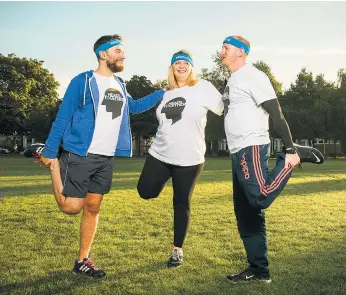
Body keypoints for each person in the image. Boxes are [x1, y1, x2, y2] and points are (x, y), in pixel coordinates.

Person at [39, 34, 165, 278]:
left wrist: (162, 91)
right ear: (103, 54)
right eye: (118, 50)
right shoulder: (83, 81)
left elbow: (134, 107)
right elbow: (63, 116)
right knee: (72, 207)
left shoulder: (120, 84)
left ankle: (83, 260)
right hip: (80, 154)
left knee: (93, 207)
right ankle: (55, 167)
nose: (123, 55)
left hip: (106, 157)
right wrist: (50, 151)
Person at [219, 35, 324, 283]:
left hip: (251, 146)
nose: (221, 51)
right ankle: (259, 269)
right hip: (237, 151)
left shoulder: (253, 75)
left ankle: (291, 159)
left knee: (260, 197)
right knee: (246, 213)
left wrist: (289, 147)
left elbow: (276, 112)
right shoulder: (233, 80)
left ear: (240, 53)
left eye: (226, 47)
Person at [137, 50, 224, 268]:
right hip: (160, 154)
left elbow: (223, 108)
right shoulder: (166, 93)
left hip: (190, 159)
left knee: (181, 203)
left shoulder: (202, 87)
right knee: (145, 191)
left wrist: (231, 89)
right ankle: (163, 180)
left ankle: (177, 250)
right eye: (178, 63)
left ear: (192, 67)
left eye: (186, 63)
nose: (182, 66)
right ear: (172, 68)